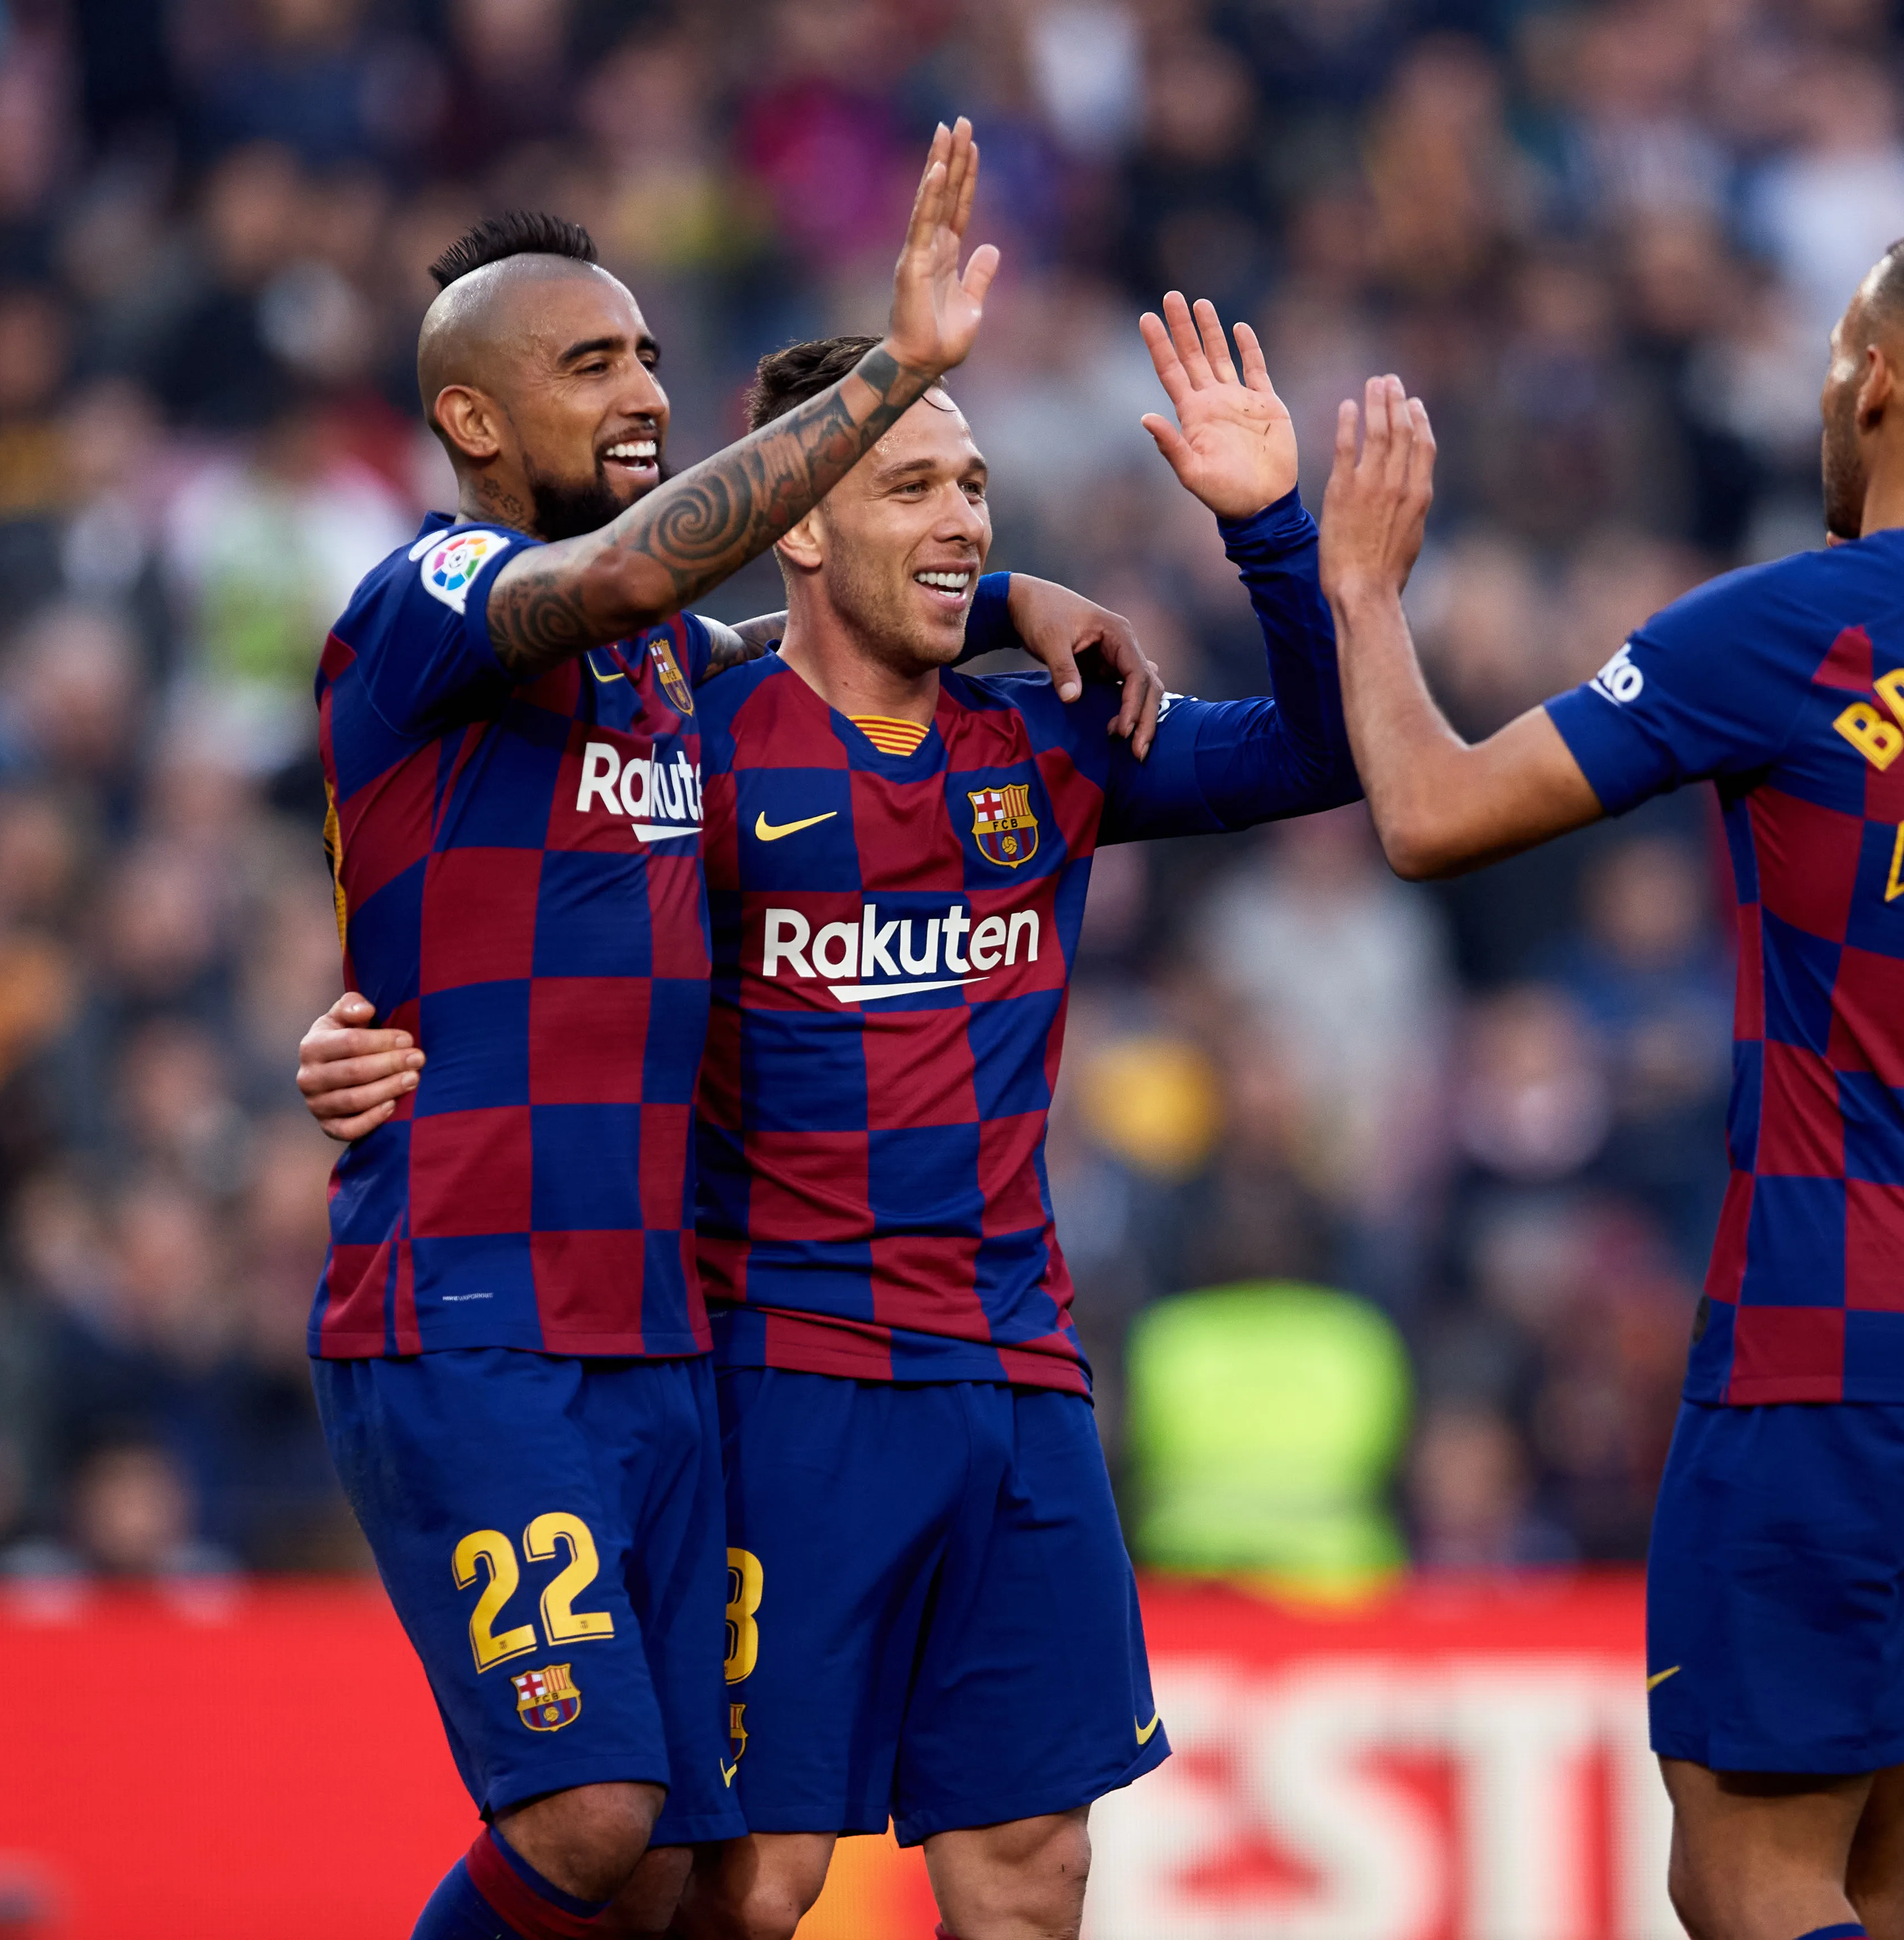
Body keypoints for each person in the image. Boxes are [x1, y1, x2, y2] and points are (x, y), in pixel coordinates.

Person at [304, 290, 1357, 1939]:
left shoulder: (1050, 746)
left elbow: (1329, 749)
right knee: (746, 1884)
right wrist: (362, 1028)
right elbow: (513, 902)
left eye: (975, 489)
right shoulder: (691, 743)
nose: (964, 520)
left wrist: (1269, 530)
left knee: (1034, 1874)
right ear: (797, 521)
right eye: (912, 486)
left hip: (1016, 1370)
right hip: (781, 1369)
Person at [1313, 228, 1904, 1940]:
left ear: (1873, 383)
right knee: (1867, 1876)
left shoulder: (1790, 628)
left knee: (1743, 1875)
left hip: (1837, 1326)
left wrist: (1361, 591)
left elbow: (1431, 815)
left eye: (1829, 357)